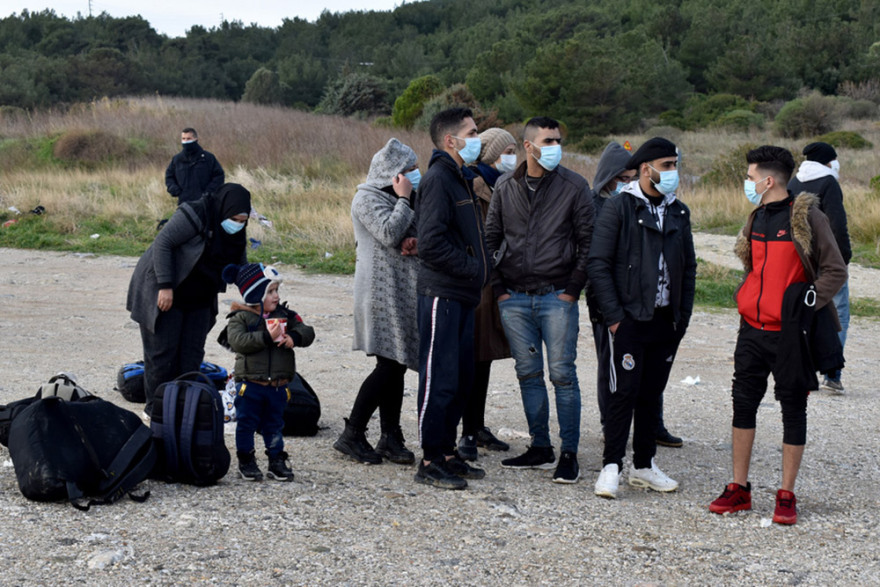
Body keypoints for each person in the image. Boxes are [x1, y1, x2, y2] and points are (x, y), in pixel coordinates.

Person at [709, 145, 846, 525]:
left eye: (751, 177)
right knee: (743, 404)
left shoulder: (807, 218)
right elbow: (753, 269)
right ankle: (739, 488)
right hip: (751, 331)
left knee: (792, 409)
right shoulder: (756, 217)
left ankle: (786, 495)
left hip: (789, 335)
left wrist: (805, 302)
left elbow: (835, 270)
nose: (748, 183)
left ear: (768, 181)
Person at [485, 116, 594, 484]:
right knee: (528, 375)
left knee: (563, 375)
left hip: (556, 297)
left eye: (558, 140)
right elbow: (491, 238)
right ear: (528, 147)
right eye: (548, 141)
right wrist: (499, 289)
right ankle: (540, 447)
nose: (555, 147)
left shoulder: (575, 186)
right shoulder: (505, 186)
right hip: (513, 298)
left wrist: (572, 289)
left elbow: (588, 243)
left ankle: (569, 454)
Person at [588, 137, 696, 499]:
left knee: (652, 393)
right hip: (630, 319)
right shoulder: (619, 207)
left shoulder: (678, 211)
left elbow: (689, 267)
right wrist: (615, 318)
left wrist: (682, 317)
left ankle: (645, 465)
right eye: (666, 165)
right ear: (646, 168)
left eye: (675, 165)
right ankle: (611, 466)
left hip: (665, 322)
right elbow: (598, 265)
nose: (672, 172)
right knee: (623, 393)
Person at [126, 183, 251, 419]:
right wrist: (165, 286)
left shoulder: (235, 233)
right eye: (234, 218)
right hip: (166, 288)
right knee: (162, 354)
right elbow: (163, 244)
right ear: (223, 209)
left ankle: (184, 407)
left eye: (243, 220)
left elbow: (240, 266)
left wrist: (255, 295)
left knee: (192, 354)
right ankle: (156, 409)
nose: (238, 224)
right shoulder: (194, 213)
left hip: (200, 295)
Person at [413, 107, 489, 490]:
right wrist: (474, 268)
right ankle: (429, 459)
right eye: (473, 132)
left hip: (462, 295)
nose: (478, 138)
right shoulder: (439, 179)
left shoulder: (462, 177)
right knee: (438, 377)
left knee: (460, 377)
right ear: (450, 140)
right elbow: (430, 244)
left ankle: (446, 453)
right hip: (442, 293)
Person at [333, 138, 421, 466]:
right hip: (378, 295)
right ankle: (353, 433)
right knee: (389, 365)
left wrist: (417, 236)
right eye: (410, 170)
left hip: (400, 293)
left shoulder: (402, 197)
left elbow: (415, 230)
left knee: (395, 364)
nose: (415, 175)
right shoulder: (366, 199)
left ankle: (390, 436)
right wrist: (403, 199)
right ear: (393, 174)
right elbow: (388, 233)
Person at [220, 263, 315, 482]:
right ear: (255, 294)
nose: (276, 296)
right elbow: (238, 342)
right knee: (246, 423)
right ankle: (246, 460)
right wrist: (266, 337)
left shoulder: (286, 315)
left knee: (274, 424)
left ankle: (276, 460)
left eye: (276, 291)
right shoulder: (241, 317)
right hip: (250, 385)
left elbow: (307, 331)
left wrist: (295, 337)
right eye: (270, 291)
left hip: (278, 385)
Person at [457, 128, 516, 461]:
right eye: (506, 150)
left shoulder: (502, 187)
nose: (512, 156)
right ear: (492, 154)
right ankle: (466, 430)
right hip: (475, 283)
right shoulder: (473, 184)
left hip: (495, 282)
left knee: (485, 358)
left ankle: (477, 425)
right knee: (471, 357)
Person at [788, 142, 851, 394]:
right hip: (827, 260)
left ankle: (804, 367)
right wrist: (843, 259)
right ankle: (832, 374)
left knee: (806, 310)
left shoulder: (794, 182)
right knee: (839, 312)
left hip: (802, 260)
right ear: (828, 161)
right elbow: (837, 224)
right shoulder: (828, 182)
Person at [165, 127, 225, 204]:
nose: (186, 141)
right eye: (183, 139)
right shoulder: (177, 159)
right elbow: (169, 177)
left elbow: (219, 176)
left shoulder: (208, 158)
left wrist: (208, 193)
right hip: (184, 203)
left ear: (196, 139)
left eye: (188, 138)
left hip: (206, 203)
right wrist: (175, 190)